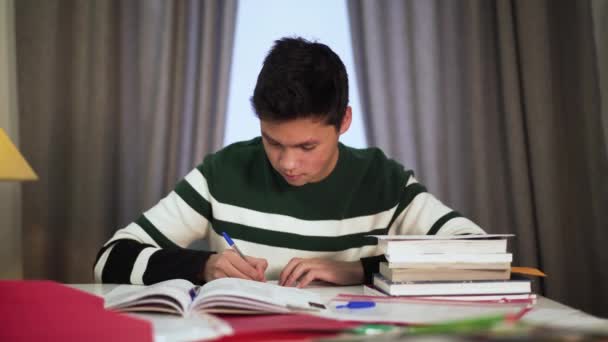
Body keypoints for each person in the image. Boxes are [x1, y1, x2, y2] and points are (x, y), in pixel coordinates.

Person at [94, 37, 484, 288]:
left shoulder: (384, 181)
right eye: (272, 142)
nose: (287, 163)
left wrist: (360, 270)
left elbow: (478, 257)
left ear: (344, 122)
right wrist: (203, 266)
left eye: (307, 146)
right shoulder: (222, 173)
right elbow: (110, 259)